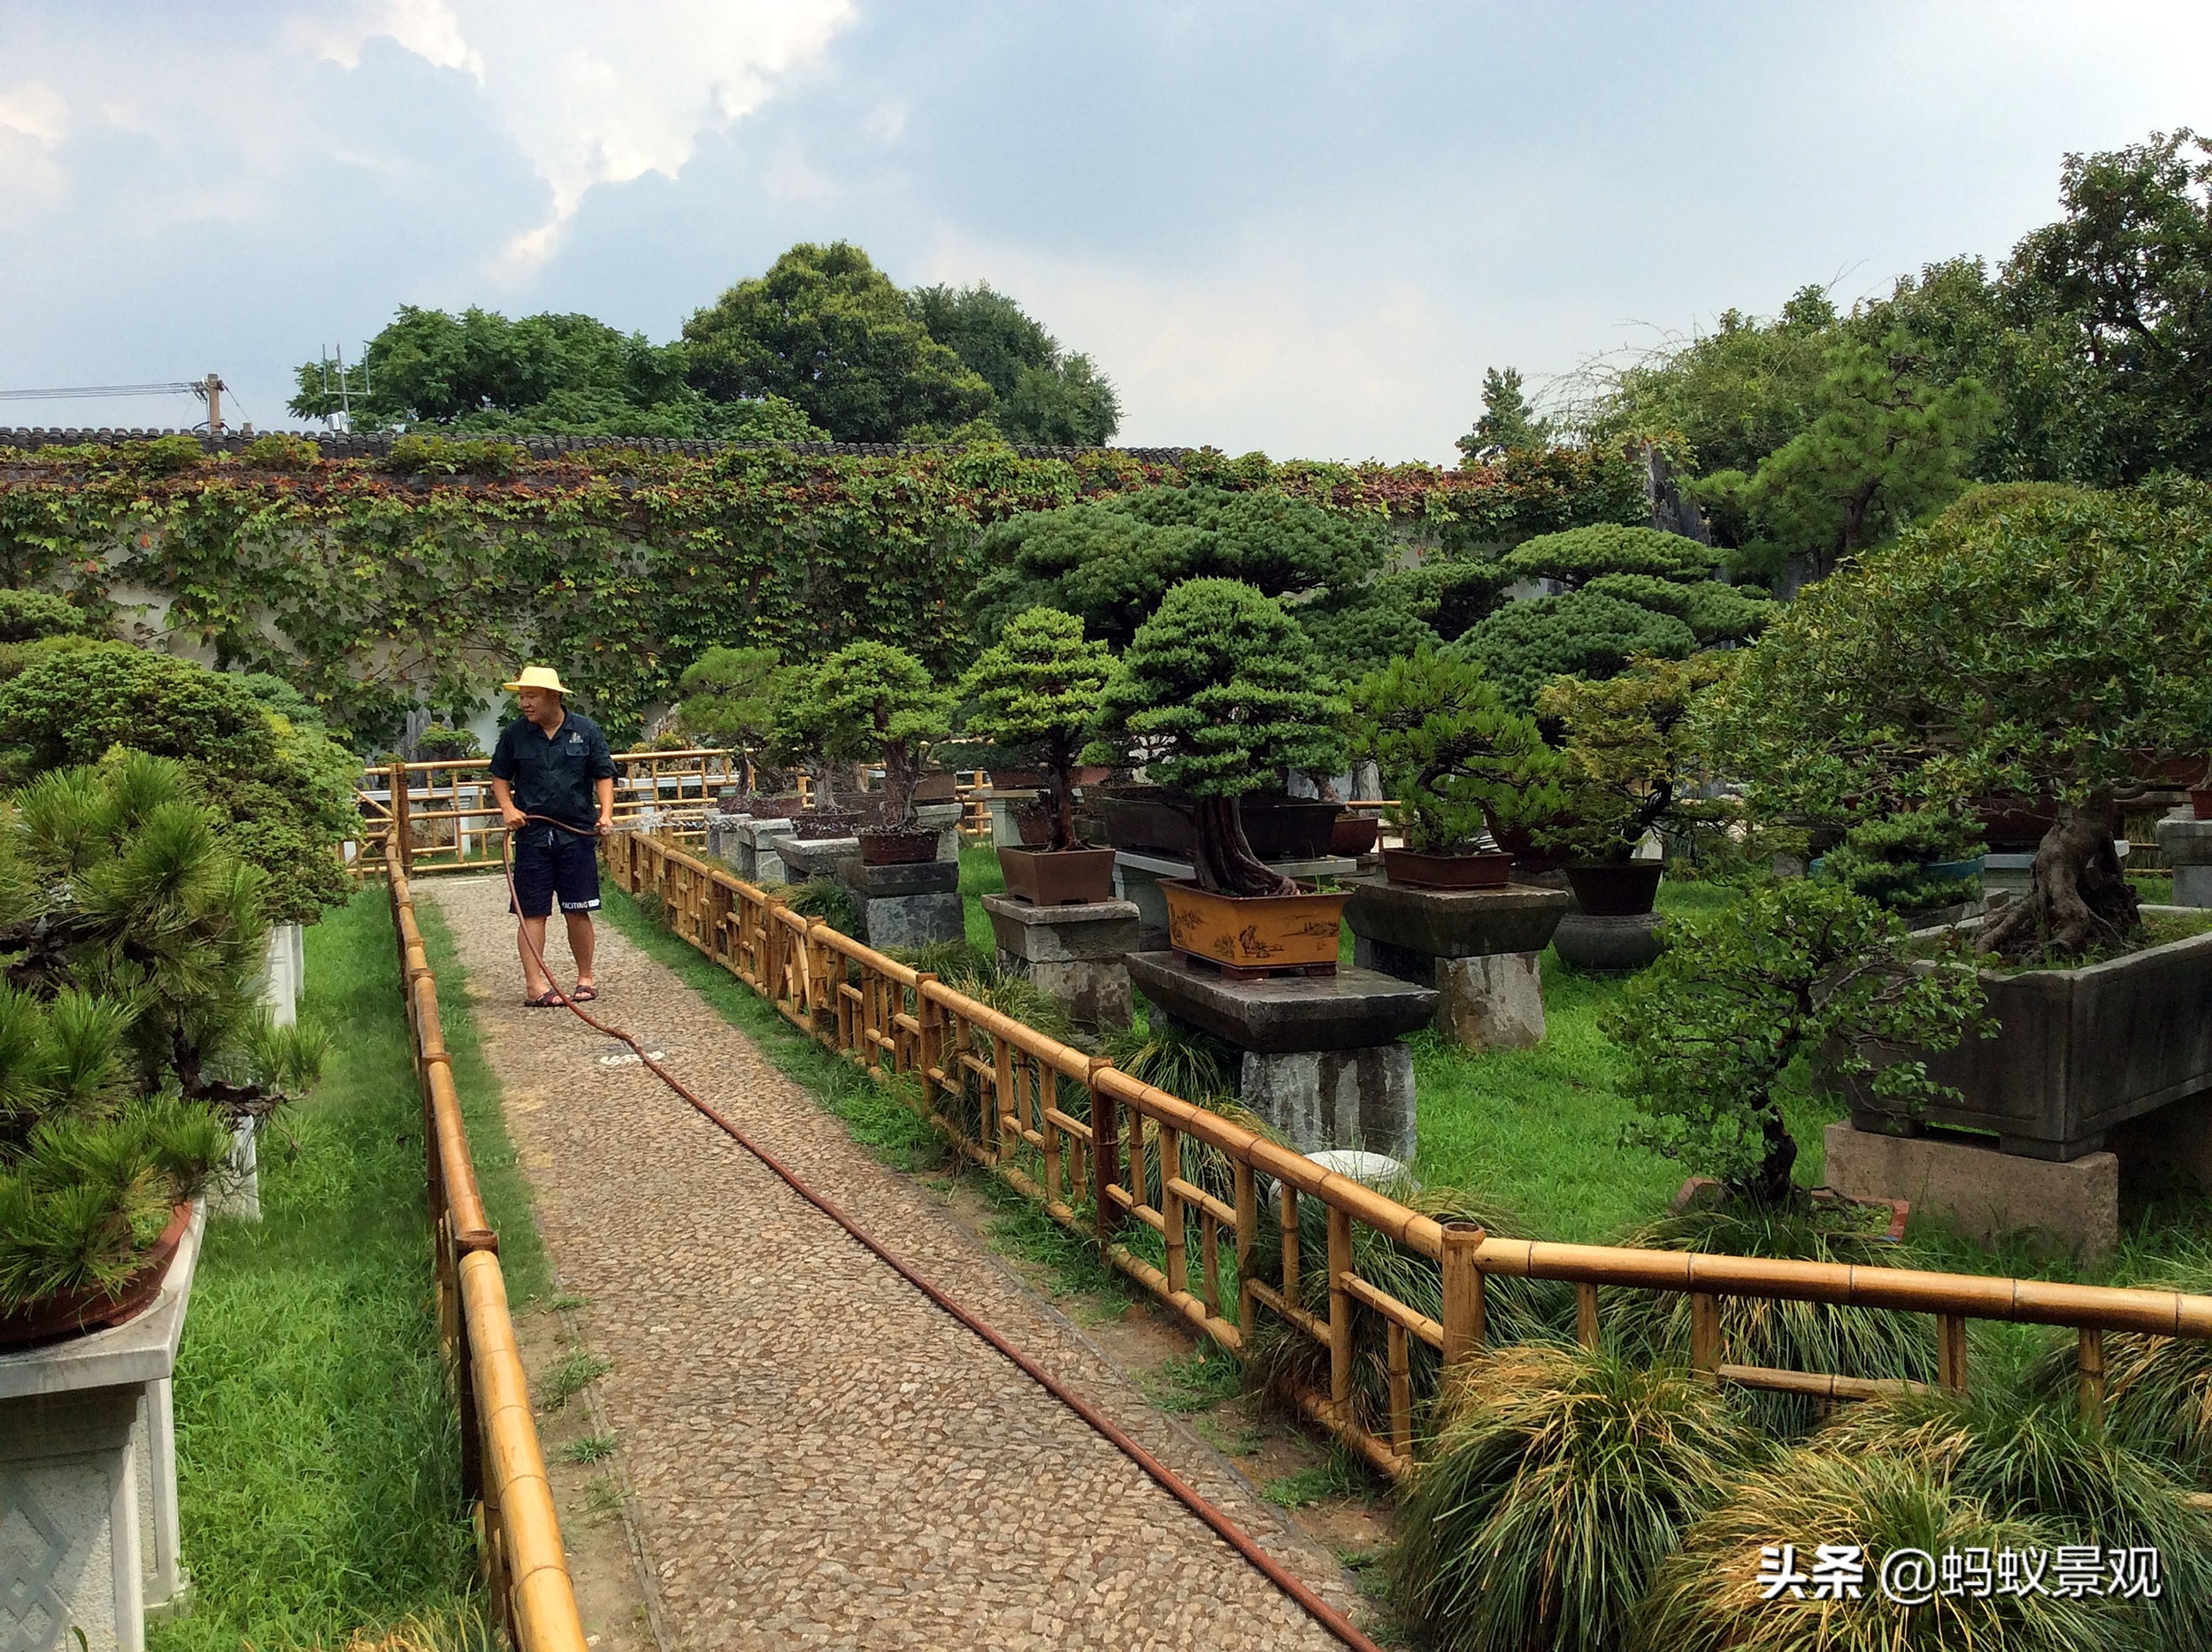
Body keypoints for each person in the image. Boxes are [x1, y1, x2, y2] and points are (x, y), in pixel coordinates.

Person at [487, 665, 618, 1005]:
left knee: (578, 908)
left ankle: (585, 979)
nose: (525, 704)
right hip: (532, 836)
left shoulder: (585, 731)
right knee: (531, 912)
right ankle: (535, 987)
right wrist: (508, 808)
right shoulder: (515, 734)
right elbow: (499, 777)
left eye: (532, 696)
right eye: (522, 697)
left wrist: (605, 814)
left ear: (554, 697)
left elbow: (603, 775)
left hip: (576, 834)